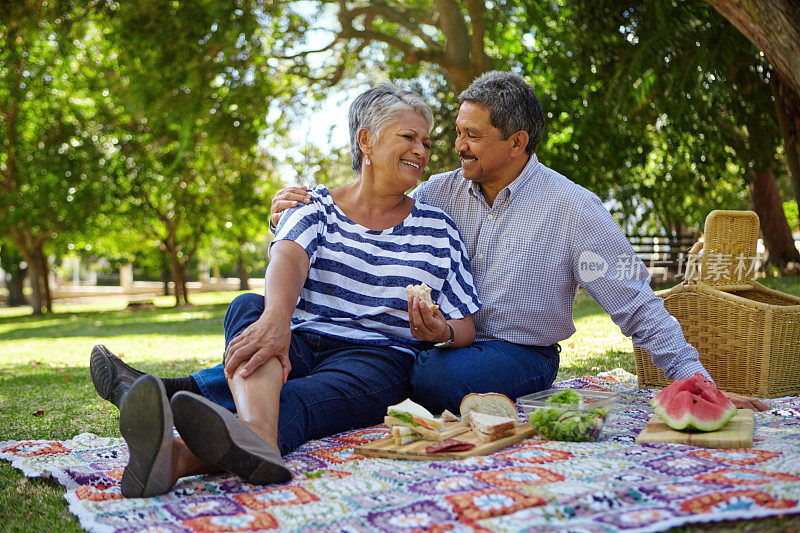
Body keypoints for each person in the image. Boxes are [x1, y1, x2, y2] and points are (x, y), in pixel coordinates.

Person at [270, 71, 770, 414]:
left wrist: (695, 378)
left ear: (517, 142)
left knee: (431, 380)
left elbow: (636, 304)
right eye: (457, 131)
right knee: (404, 364)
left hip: (519, 352)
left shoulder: (573, 209)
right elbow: (372, 218)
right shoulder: (438, 192)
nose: (456, 145)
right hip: (438, 342)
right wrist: (301, 205)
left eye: (472, 135)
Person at [91, 82, 481, 498]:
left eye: (425, 141)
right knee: (249, 307)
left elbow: (465, 325)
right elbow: (288, 257)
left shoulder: (437, 228)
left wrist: (442, 333)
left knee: (293, 399)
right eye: (408, 137)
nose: (421, 151)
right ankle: (256, 434)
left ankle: (179, 449)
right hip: (297, 341)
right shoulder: (314, 204)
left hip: (378, 360)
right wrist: (276, 321)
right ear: (366, 140)